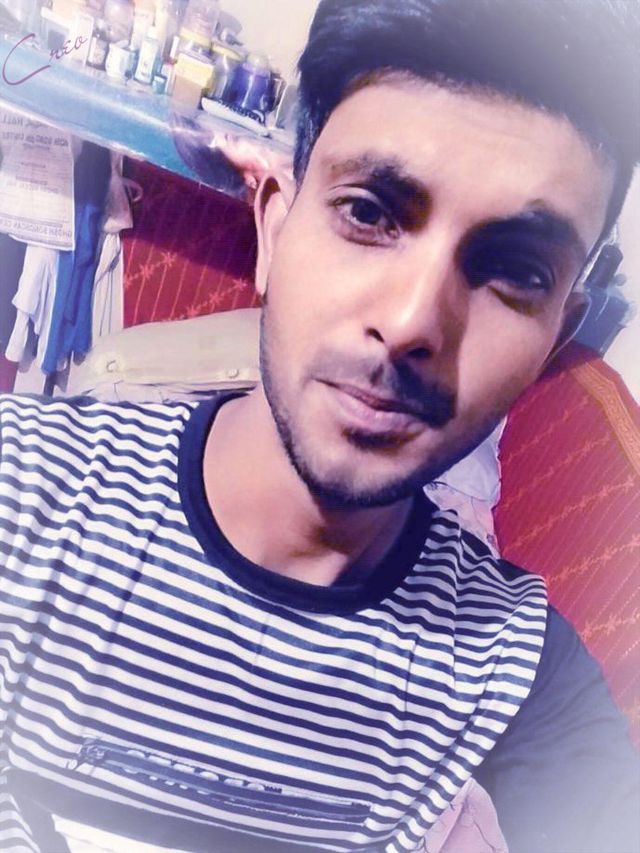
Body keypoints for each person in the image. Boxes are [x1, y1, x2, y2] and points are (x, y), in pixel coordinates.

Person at [1, 0, 639, 851]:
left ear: (556, 336)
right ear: (273, 224)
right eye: (370, 213)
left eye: (517, 269)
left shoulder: (511, 669)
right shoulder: (23, 492)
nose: (412, 322)